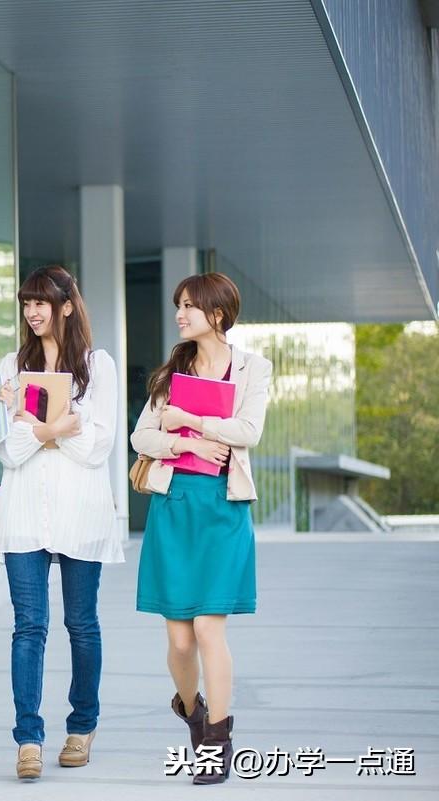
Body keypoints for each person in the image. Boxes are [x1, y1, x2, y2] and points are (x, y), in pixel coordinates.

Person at [130, 272, 272, 785]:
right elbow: (141, 435)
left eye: (189, 306)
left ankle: (217, 737)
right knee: (180, 641)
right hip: (175, 505)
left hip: (223, 508)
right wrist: (186, 443)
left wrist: (192, 420)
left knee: (210, 627)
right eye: (178, 306)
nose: (179, 315)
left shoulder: (253, 367)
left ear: (218, 313)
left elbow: (248, 431)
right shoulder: (173, 373)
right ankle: (191, 709)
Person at [0, 265, 123, 780]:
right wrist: (56, 427)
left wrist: (41, 427)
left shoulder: (97, 366)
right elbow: (9, 450)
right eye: (26, 303)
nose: (32, 312)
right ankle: (28, 739)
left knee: (81, 625)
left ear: (67, 304)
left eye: (41, 301)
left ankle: (82, 726)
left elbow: (98, 448)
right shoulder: (10, 367)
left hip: (82, 512)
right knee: (29, 627)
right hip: (22, 513)